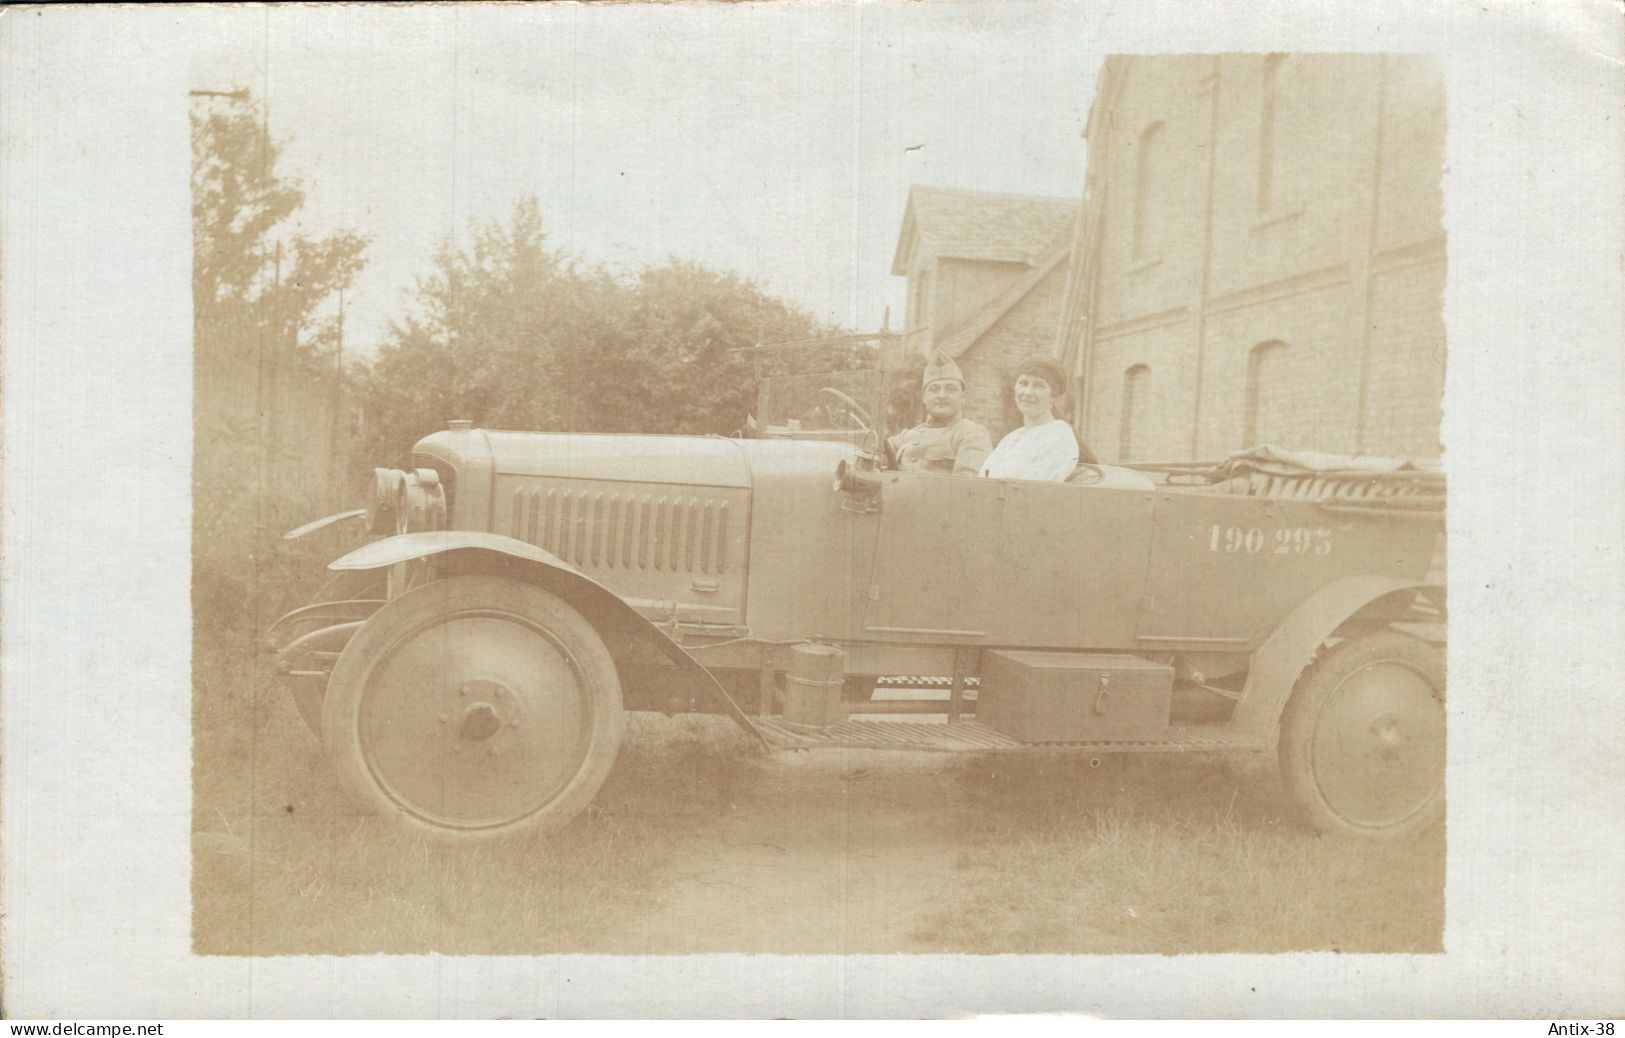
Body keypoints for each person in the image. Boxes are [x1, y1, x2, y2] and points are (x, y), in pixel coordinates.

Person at [885, 353, 993, 476]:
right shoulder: (909, 434)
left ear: (963, 397)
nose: (941, 395)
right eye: (934, 389)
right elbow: (875, 451)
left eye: (950, 389)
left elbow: (968, 489)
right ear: (924, 397)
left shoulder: (971, 434)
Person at [979, 354, 1081, 482]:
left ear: (1053, 395)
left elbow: (1032, 489)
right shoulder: (1010, 438)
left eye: (1038, 385)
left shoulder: (1058, 434)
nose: (1027, 392)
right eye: (1023, 383)